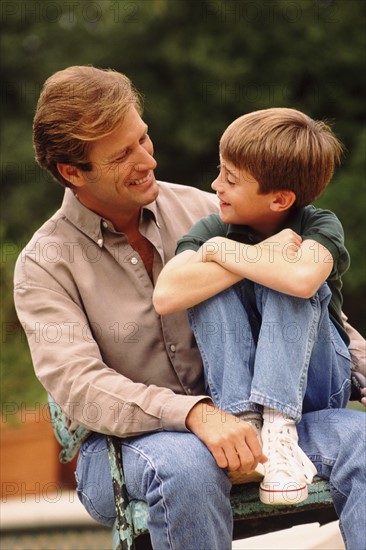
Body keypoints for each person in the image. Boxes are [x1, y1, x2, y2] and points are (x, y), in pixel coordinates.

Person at [14, 67, 365, 550]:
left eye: (143, 139)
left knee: (363, 438)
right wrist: (195, 414)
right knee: (186, 466)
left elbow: (318, 313)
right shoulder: (43, 265)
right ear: (73, 173)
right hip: (130, 446)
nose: (147, 160)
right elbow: (80, 387)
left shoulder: (207, 208)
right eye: (122, 155)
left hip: (265, 430)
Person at [153, 108, 355, 506]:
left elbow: (300, 280)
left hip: (319, 384)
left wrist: (224, 256)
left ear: (280, 198)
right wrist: (241, 250)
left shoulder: (320, 225)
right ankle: (246, 422)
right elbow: (167, 295)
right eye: (219, 171)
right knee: (207, 284)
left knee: (289, 281)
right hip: (241, 389)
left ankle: (279, 433)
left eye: (229, 179)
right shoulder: (215, 229)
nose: (215, 186)